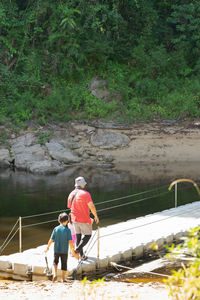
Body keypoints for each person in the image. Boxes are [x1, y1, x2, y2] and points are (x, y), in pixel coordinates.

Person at [67, 176, 99, 261]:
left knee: (78, 237)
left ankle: (82, 256)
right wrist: (95, 216)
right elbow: (91, 206)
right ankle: (77, 250)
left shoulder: (71, 194)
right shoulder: (85, 194)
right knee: (88, 235)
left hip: (74, 219)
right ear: (82, 185)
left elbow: (70, 206)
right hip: (84, 219)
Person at [45, 212, 78, 282]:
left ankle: (55, 274)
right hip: (64, 251)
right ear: (67, 221)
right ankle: (63, 278)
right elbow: (70, 242)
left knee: (55, 262)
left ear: (59, 220)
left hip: (56, 250)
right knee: (64, 264)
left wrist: (47, 248)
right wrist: (73, 251)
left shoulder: (56, 229)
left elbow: (51, 240)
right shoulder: (67, 230)